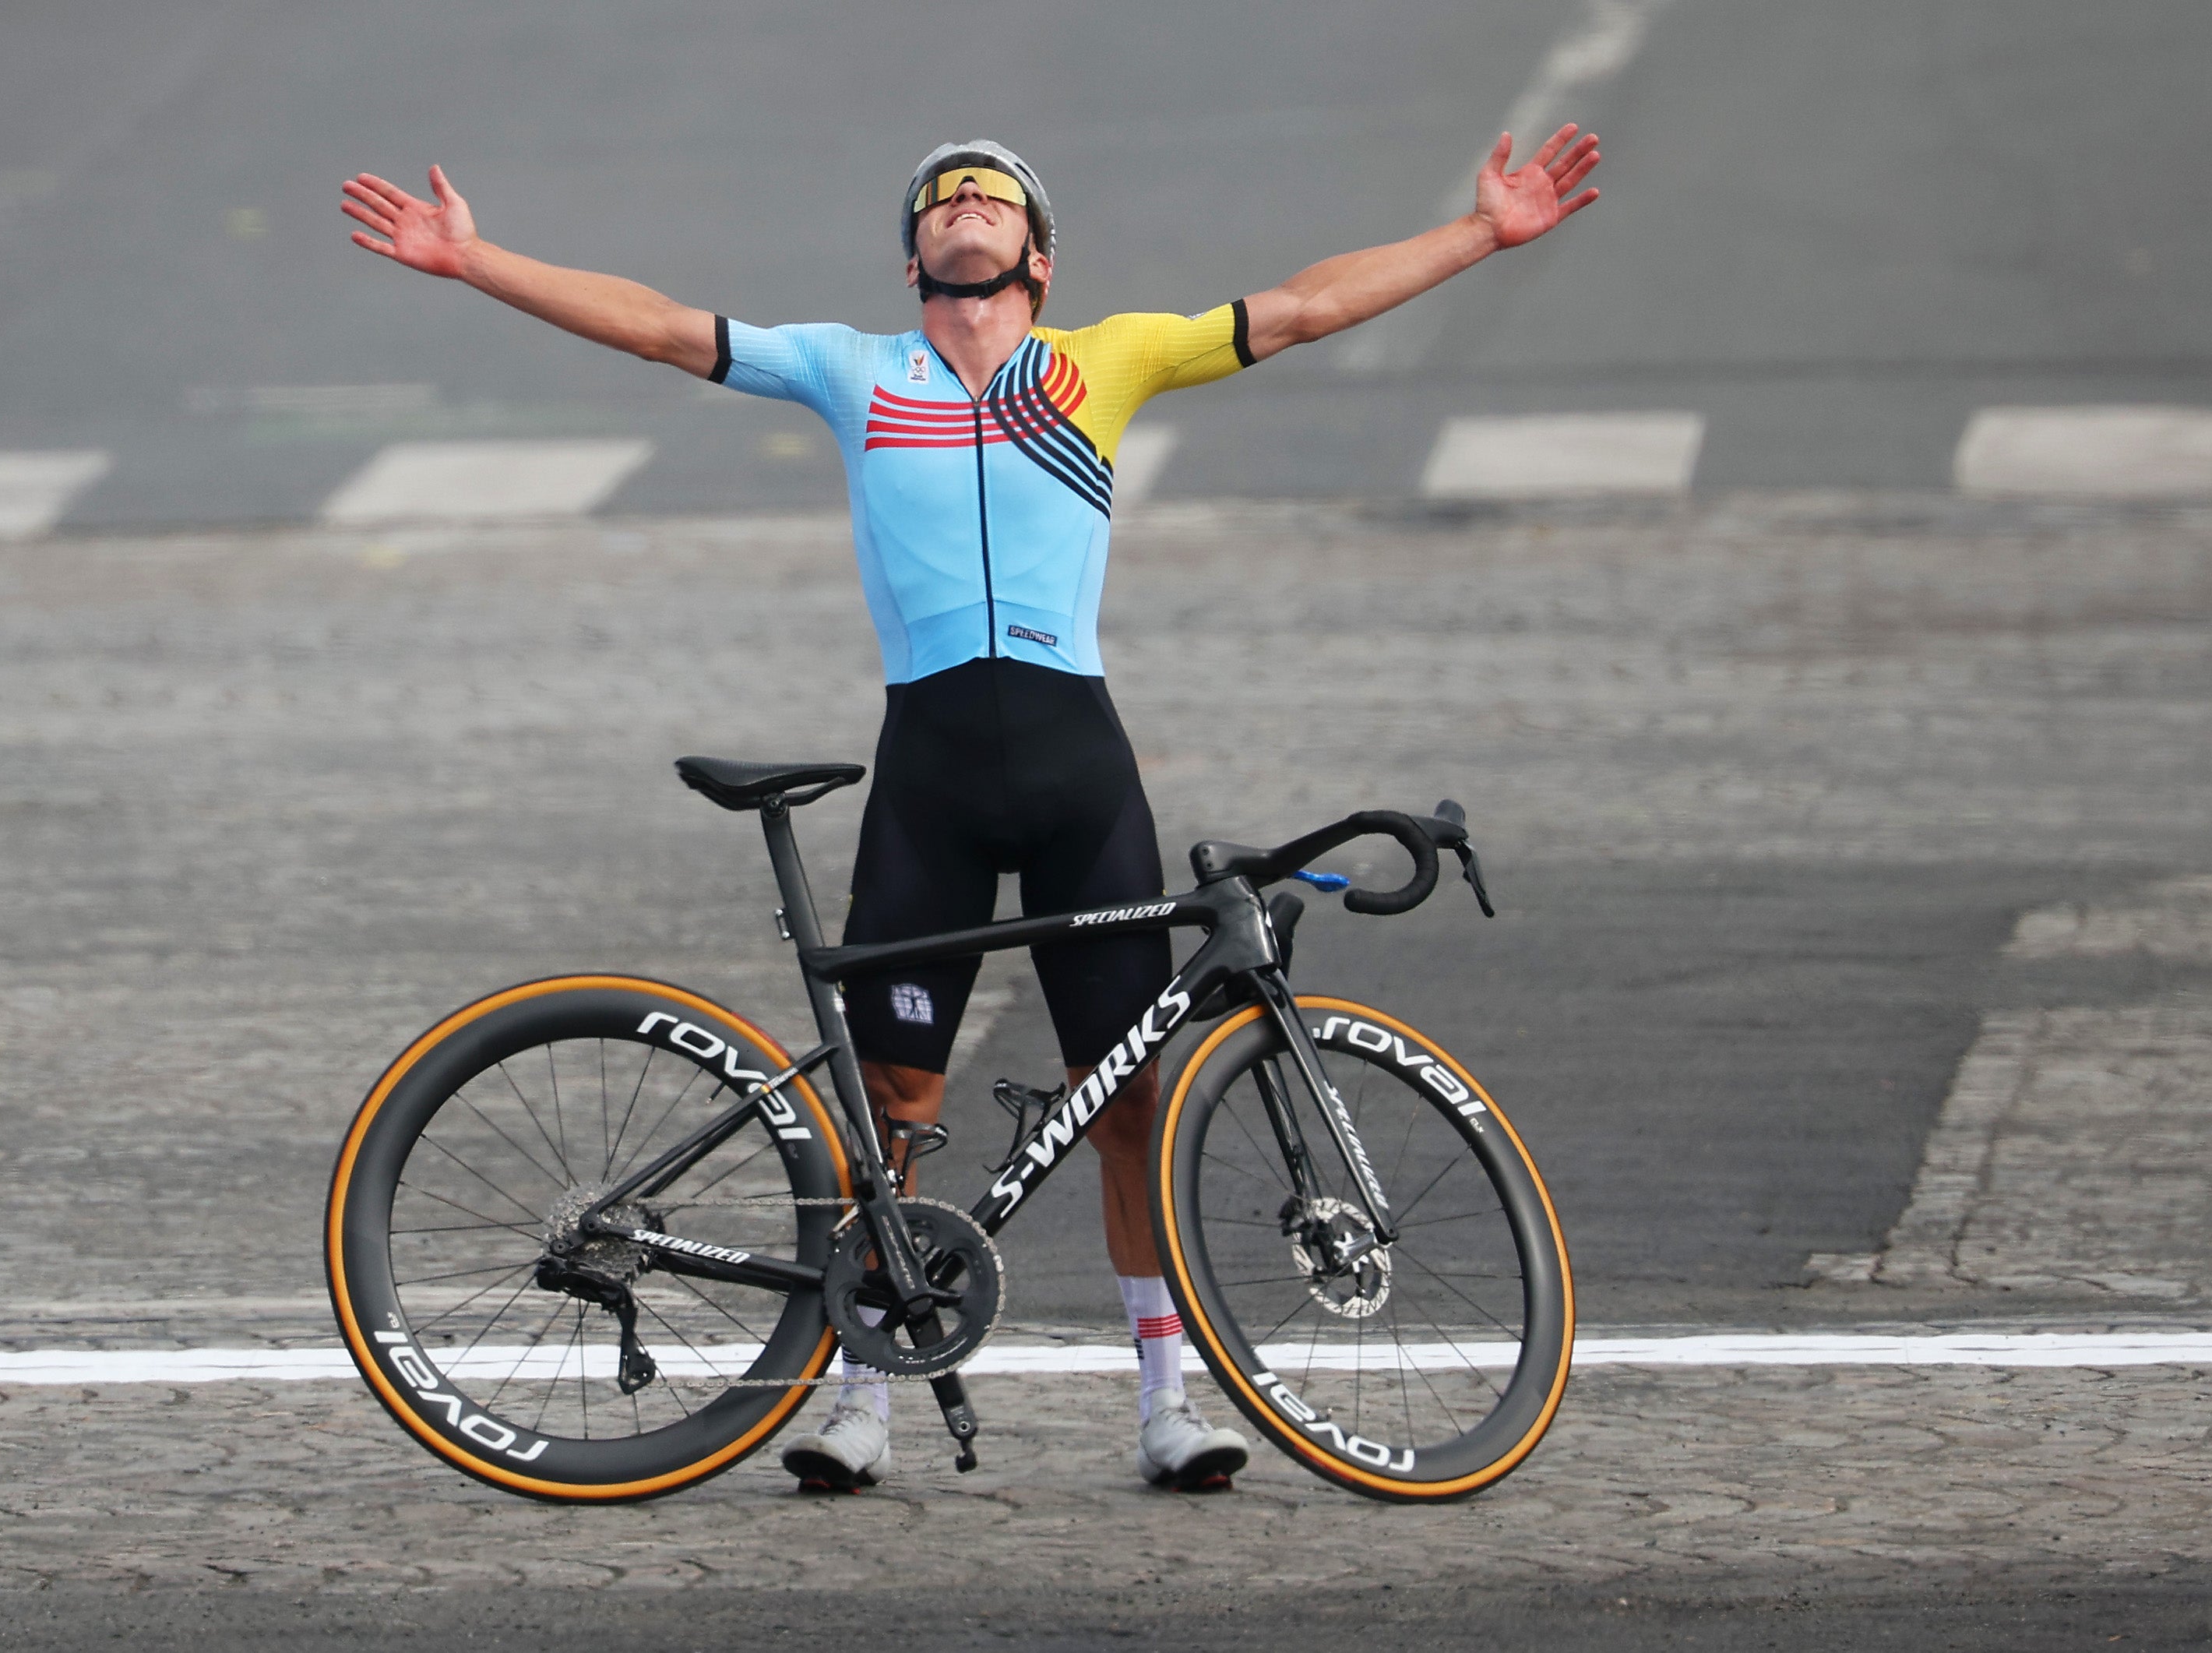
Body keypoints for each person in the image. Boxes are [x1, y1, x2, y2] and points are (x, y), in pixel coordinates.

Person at [341, 124, 1599, 1493]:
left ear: (1037, 258)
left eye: (992, 196)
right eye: (942, 199)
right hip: (930, 774)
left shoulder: (1106, 360)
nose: (965, 207)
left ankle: (1168, 1404)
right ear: (912, 258)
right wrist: (472, 262)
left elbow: (1302, 308)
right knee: (894, 1104)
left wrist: (1478, 236)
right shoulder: (853, 369)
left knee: (1130, 1104)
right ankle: (866, 1394)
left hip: (1078, 773)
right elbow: (656, 327)